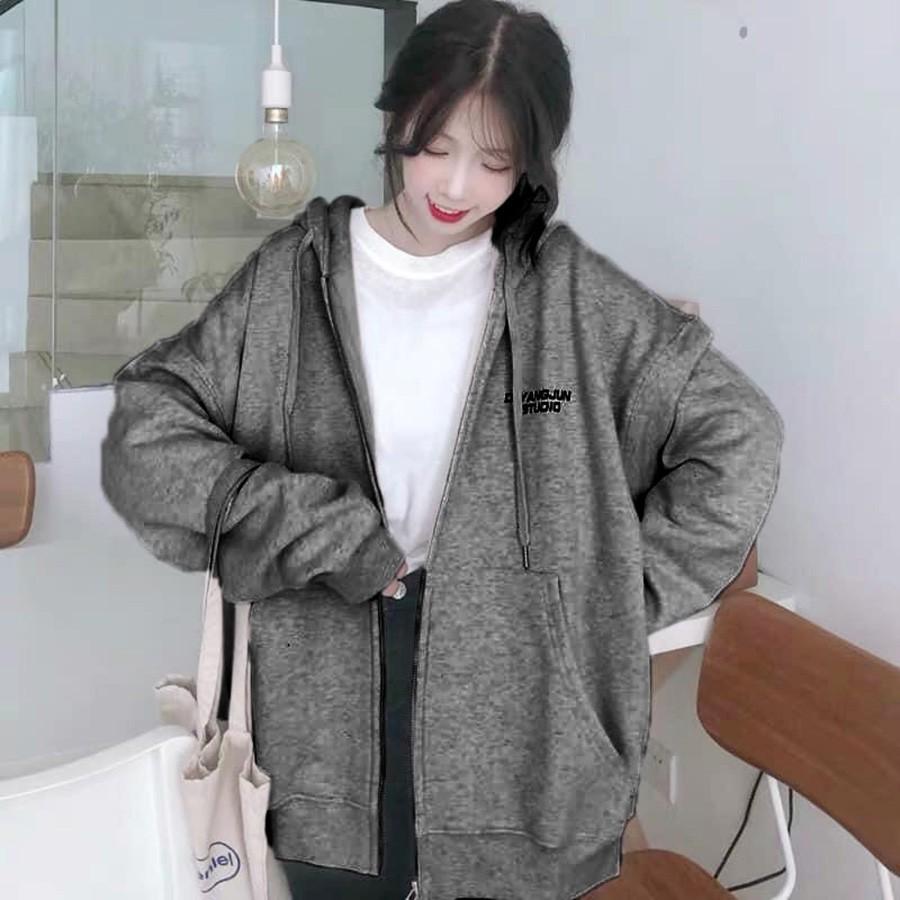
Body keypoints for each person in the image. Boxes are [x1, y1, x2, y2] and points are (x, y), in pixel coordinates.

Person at [100, 1, 785, 898]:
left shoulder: (567, 293)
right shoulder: (294, 279)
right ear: (397, 117)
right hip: (324, 688)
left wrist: (607, 596)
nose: (456, 185)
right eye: (434, 145)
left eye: (495, 161)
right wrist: (318, 531)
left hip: (518, 699)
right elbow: (146, 434)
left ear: (532, 162)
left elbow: (740, 435)